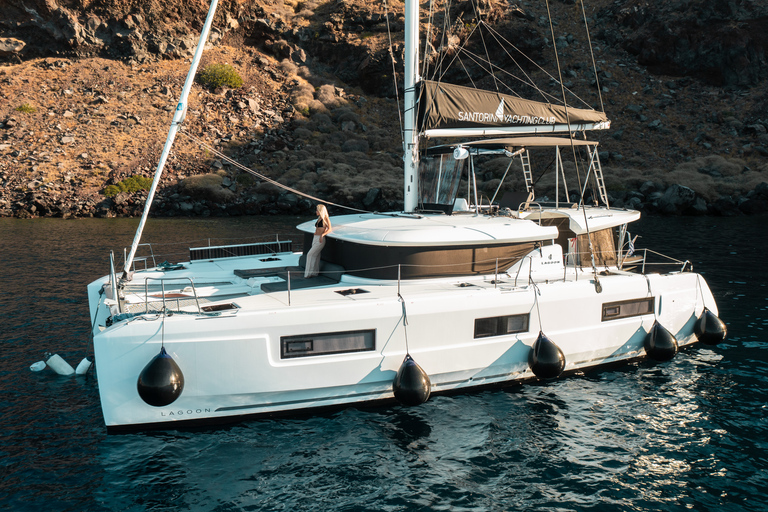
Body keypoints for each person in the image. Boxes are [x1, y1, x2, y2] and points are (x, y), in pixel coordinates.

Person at [305, 204, 331, 278]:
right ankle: (314, 273)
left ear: (321, 211)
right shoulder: (319, 218)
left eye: (317, 210)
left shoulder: (326, 219)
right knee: (316, 255)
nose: (316, 211)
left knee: (310, 254)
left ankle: (307, 274)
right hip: (315, 238)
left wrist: (323, 235)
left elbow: (330, 229)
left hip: (320, 239)